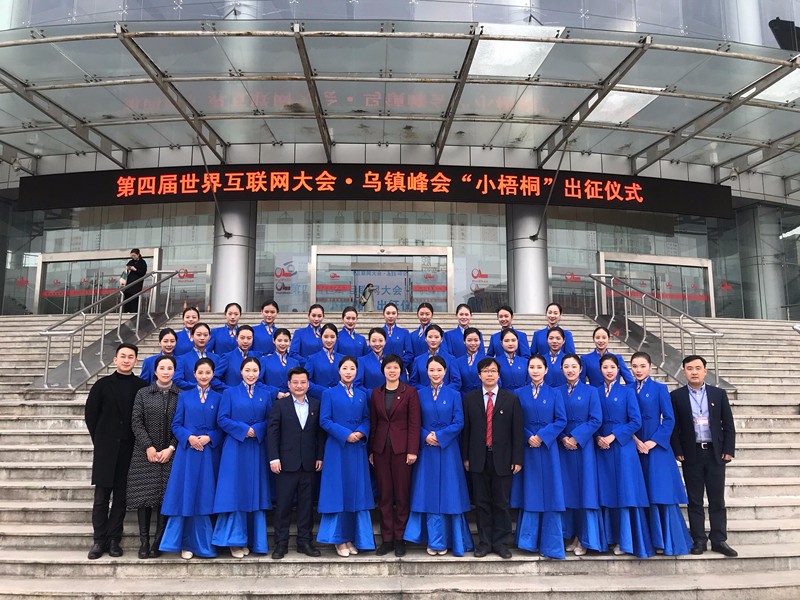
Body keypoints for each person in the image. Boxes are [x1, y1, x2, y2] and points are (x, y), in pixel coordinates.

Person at [404, 356, 474, 557]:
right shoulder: (418, 394)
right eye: (431, 370)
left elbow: (458, 422)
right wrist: (425, 435)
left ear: (445, 372)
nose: (435, 374)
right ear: (426, 372)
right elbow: (413, 421)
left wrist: (440, 436)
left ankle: (450, 540)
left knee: (450, 492)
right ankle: (434, 540)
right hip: (427, 450)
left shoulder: (454, 394)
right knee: (428, 492)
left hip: (448, 449)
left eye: (439, 370)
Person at [84, 343, 148, 560]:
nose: (126, 360)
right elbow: (91, 415)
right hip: (106, 449)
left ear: (136, 361)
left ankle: (114, 540)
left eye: (131, 357)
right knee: (101, 498)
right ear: (115, 360)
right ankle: (98, 540)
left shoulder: (141, 387)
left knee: (121, 497)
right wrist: (100, 440)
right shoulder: (102, 385)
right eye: (123, 356)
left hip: (129, 449)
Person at [671, 355, 737, 557]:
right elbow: (674, 427)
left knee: (717, 499)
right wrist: (678, 450)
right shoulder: (677, 396)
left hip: (715, 453)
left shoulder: (718, 394)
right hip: (691, 454)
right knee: (694, 499)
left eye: (698, 368)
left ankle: (719, 539)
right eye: (690, 368)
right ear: (684, 372)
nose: (694, 372)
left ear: (705, 371)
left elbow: (728, 424)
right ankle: (699, 539)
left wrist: (728, 449)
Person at [212, 357, 277, 557]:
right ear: (241, 372)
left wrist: (256, 429)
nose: (251, 374)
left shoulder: (265, 394)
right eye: (247, 370)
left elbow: (270, 419)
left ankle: (254, 540)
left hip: (256, 447)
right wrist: (242, 429)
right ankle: (234, 540)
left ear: (260, 372)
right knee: (235, 491)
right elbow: (222, 419)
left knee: (255, 491)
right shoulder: (229, 393)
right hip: (235, 447)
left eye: (255, 370)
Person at [159, 358, 223, 559]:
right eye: (200, 372)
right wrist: (189, 437)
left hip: (209, 453)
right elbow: (176, 424)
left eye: (208, 372)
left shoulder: (219, 398)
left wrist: (210, 437)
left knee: (204, 497)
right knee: (186, 495)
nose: (204, 376)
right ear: (194, 374)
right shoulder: (184, 396)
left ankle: (204, 543)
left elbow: (222, 425)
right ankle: (185, 543)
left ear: (213, 374)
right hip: (187, 453)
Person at [461, 357, 524, 559]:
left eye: (493, 371)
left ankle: (501, 543)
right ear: (479, 375)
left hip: (503, 459)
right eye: (486, 371)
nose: (490, 374)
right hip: (478, 458)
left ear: (499, 374)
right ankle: (484, 543)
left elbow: (517, 432)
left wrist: (517, 459)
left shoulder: (511, 399)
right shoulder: (469, 399)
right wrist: (466, 457)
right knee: (481, 503)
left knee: (501, 503)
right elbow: (466, 431)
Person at [630, 351, 691, 556]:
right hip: (634, 446)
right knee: (640, 493)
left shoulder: (659, 388)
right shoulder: (627, 389)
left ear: (650, 367)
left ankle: (665, 541)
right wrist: (636, 440)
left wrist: (653, 441)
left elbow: (669, 419)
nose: (638, 370)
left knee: (659, 492)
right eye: (635, 366)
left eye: (642, 366)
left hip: (656, 447)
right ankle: (644, 541)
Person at [595, 354, 653, 558]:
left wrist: (613, 436)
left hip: (623, 447)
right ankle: (607, 538)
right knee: (606, 492)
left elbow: (636, 421)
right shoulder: (595, 391)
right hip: (601, 447)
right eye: (605, 367)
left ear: (619, 369)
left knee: (625, 492)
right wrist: (598, 437)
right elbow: (591, 419)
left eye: (612, 367)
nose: (609, 371)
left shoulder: (627, 391)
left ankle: (625, 540)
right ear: (600, 370)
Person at [510, 355, 567, 559]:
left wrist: (542, 436)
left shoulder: (555, 393)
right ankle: (528, 541)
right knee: (530, 492)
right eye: (532, 367)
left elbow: (561, 420)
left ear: (546, 370)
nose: (535, 371)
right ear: (527, 370)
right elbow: (515, 420)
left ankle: (551, 544)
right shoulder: (519, 393)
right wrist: (528, 436)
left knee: (551, 492)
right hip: (527, 448)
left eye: (539, 367)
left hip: (548, 448)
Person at [317, 357, 376, 556]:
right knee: (338, 491)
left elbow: (367, 418)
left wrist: (360, 432)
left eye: (352, 368)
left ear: (357, 372)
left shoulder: (361, 394)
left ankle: (353, 537)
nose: (348, 372)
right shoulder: (329, 393)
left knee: (355, 491)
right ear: (339, 371)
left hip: (357, 448)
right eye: (345, 368)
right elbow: (325, 420)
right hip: (337, 447)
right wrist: (345, 434)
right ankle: (339, 539)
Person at [268, 367, 325, 560]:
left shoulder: (316, 404)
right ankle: (280, 544)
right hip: (285, 464)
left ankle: (305, 542)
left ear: (308, 384)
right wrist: (274, 458)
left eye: (303, 382)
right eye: (295, 382)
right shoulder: (280, 405)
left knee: (306, 506)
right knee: (283, 506)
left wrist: (319, 456)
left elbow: (319, 434)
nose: (299, 386)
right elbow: (272, 433)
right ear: (289, 384)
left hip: (309, 463)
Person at [127, 355, 180, 559]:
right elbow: (136, 421)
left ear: (174, 371)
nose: (166, 371)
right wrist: (148, 446)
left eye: (169, 368)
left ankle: (158, 542)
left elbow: (182, 424)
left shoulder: (181, 395)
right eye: (162, 368)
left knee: (165, 498)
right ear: (155, 371)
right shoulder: (143, 393)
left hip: (170, 453)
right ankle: (144, 542)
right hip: (145, 453)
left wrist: (171, 448)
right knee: (144, 497)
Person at [369, 354, 421, 557]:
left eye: (396, 368)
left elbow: (414, 423)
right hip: (381, 450)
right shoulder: (376, 393)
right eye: (389, 367)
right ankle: (387, 539)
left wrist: (412, 450)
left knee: (401, 495)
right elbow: (374, 424)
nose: (392, 371)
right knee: (384, 495)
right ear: (383, 370)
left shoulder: (410, 392)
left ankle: (400, 538)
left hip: (402, 450)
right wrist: (372, 450)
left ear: (401, 371)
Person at [558, 354, 605, 556]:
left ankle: (584, 538)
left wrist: (576, 437)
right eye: (566, 366)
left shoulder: (591, 391)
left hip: (583, 446)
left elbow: (596, 420)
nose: (570, 370)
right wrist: (563, 438)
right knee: (567, 492)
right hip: (563, 447)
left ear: (580, 369)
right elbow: (554, 418)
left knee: (585, 491)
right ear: (561, 369)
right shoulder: (557, 391)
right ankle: (570, 534)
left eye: (574, 366)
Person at [355, 327, 408, 397]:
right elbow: (357, 385)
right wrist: (371, 393)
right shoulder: (362, 361)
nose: (377, 344)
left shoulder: (391, 360)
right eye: (374, 341)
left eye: (380, 341)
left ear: (385, 342)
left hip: (392, 399)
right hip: (372, 399)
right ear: (369, 342)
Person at [173, 323, 225, 392]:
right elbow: (177, 380)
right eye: (198, 335)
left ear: (209, 337)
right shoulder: (182, 359)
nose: (202, 338)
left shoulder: (216, 358)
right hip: (191, 395)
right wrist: (198, 385)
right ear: (192, 336)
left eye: (205, 335)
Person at [409, 324, 461, 393]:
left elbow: (456, 382)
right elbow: (413, 382)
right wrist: (427, 391)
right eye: (430, 337)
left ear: (441, 339)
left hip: (445, 396)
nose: (433, 340)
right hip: (424, 396)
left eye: (436, 337)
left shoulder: (451, 359)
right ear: (425, 338)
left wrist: (441, 391)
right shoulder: (418, 360)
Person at [306, 323, 346, 400]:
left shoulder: (343, 359)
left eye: (332, 337)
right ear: (321, 337)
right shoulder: (312, 359)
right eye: (326, 337)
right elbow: (306, 381)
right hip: (320, 398)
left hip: (340, 398)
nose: (329, 340)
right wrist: (323, 391)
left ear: (337, 338)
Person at [259, 328, 299, 393]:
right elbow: (258, 382)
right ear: (274, 341)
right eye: (279, 340)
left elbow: (298, 382)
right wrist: (275, 393)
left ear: (290, 342)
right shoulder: (264, 361)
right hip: (271, 397)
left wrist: (290, 393)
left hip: (290, 397)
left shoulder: (295, 362)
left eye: (286, 341)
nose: (282, 344)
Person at [381, 302, 413, 372]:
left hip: (399, 371)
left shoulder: (404, 333)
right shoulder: (378, 332)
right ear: (383, 314)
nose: (391, 316)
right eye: (388, 313)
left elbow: (409, 354)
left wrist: (398, 364)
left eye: (393, 313)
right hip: (382, 371)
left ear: (397, 315)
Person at [454, 327, 485, 400]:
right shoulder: (457, 362)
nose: (473, 343)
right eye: (469, 340)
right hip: (464, 398)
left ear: (480, 341)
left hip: (483, 398)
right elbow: (456, 382)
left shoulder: (488, 360)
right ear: (464, 341)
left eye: (476, 340)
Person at [496, 328, 529, 394]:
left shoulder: (525, 362)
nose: (510, 344)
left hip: (521, 396)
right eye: (506, 341)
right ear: (501, 343)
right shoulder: (495, 362)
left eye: (513, 340)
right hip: (503, 396)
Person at [123, 248, 147, 313]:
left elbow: (143, 272)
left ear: (138, 255)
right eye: (132, 255)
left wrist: (135, 269)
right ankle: (126, 311)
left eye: (134, 255)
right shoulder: (131, 262)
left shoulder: (142, 262)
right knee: (127, 297)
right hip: (129, 282)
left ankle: (133, 311)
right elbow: (126, 268)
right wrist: (128, 268)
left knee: (134, 299)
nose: (133, 257)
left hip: (137, 283)